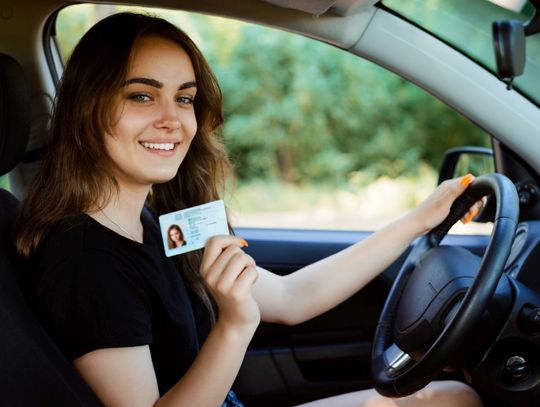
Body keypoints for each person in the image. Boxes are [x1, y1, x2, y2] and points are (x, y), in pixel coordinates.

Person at [15, 12, 484, 407]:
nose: (172, 119)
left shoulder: (156, 224)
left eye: (184, 98)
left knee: (450, 397)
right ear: (86, 109)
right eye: (141, 95)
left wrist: (419, 219)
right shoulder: (84, 260)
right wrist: (236, 325)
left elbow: (294, 298)